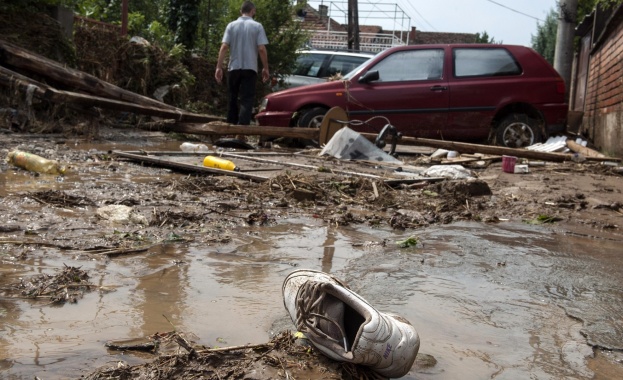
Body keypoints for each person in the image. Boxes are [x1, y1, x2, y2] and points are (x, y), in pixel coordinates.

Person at [215, 1, 269, 126]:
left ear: (241, 11)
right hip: (250, 68)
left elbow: (224, 47)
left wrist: (219, 67)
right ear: (253, 11)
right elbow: (261, 49)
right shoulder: (257, 26)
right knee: (247, 99)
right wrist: (265, 67)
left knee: (232, 97)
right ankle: (241, 131)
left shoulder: (231, 25)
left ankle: (230, 127)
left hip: (234, 67)